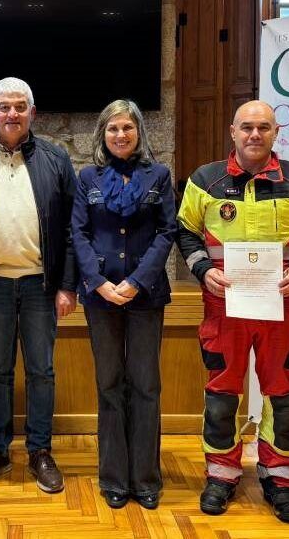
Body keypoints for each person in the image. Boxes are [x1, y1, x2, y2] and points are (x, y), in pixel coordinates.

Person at [177, 100, 289, 523]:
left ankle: (279, 478)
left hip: (282, 309)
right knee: (223, 397)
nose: (254, 135)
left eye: (263, 127)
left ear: (276, 132)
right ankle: (221, 476)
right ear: (232, 131)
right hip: (224, 310)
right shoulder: (206, 180)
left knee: (283, 398)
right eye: (246, 127)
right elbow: (185, 233)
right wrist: (203, 269)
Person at [0, 77, 78, 493]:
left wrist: (67, 285)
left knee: (42, 370)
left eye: (20, 107)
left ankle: (40, 451)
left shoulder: (57, 160)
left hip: (43, 286)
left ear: (32, 114)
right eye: (4, 107)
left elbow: (70, 231)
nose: (12, 114)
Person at [71, 99, 176, 509]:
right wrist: (97, 283)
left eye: (127, 128)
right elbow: (77, 233)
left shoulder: (159, 175)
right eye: (113, 128)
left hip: (146, 295)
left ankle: (146, 478)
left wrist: (135, 281)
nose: (120, 135)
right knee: (109, 384)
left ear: (139, 133)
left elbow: (167, 232)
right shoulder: (88, 177)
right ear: (103, 134)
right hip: (100, 298)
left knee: (146, 386)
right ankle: (114, 476)